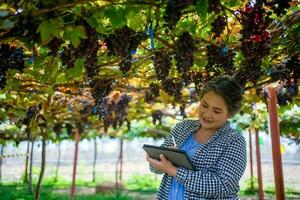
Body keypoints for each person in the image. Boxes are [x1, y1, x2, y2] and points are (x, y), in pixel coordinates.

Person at [146, 75, 247, 200]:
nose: (208, 114)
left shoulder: (234, 140)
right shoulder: (182, 128)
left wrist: (174, 171)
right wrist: (157, 162)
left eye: (216, 111)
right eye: (204, 105)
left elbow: (222, 186)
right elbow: (157, 169)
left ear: (230, 114)